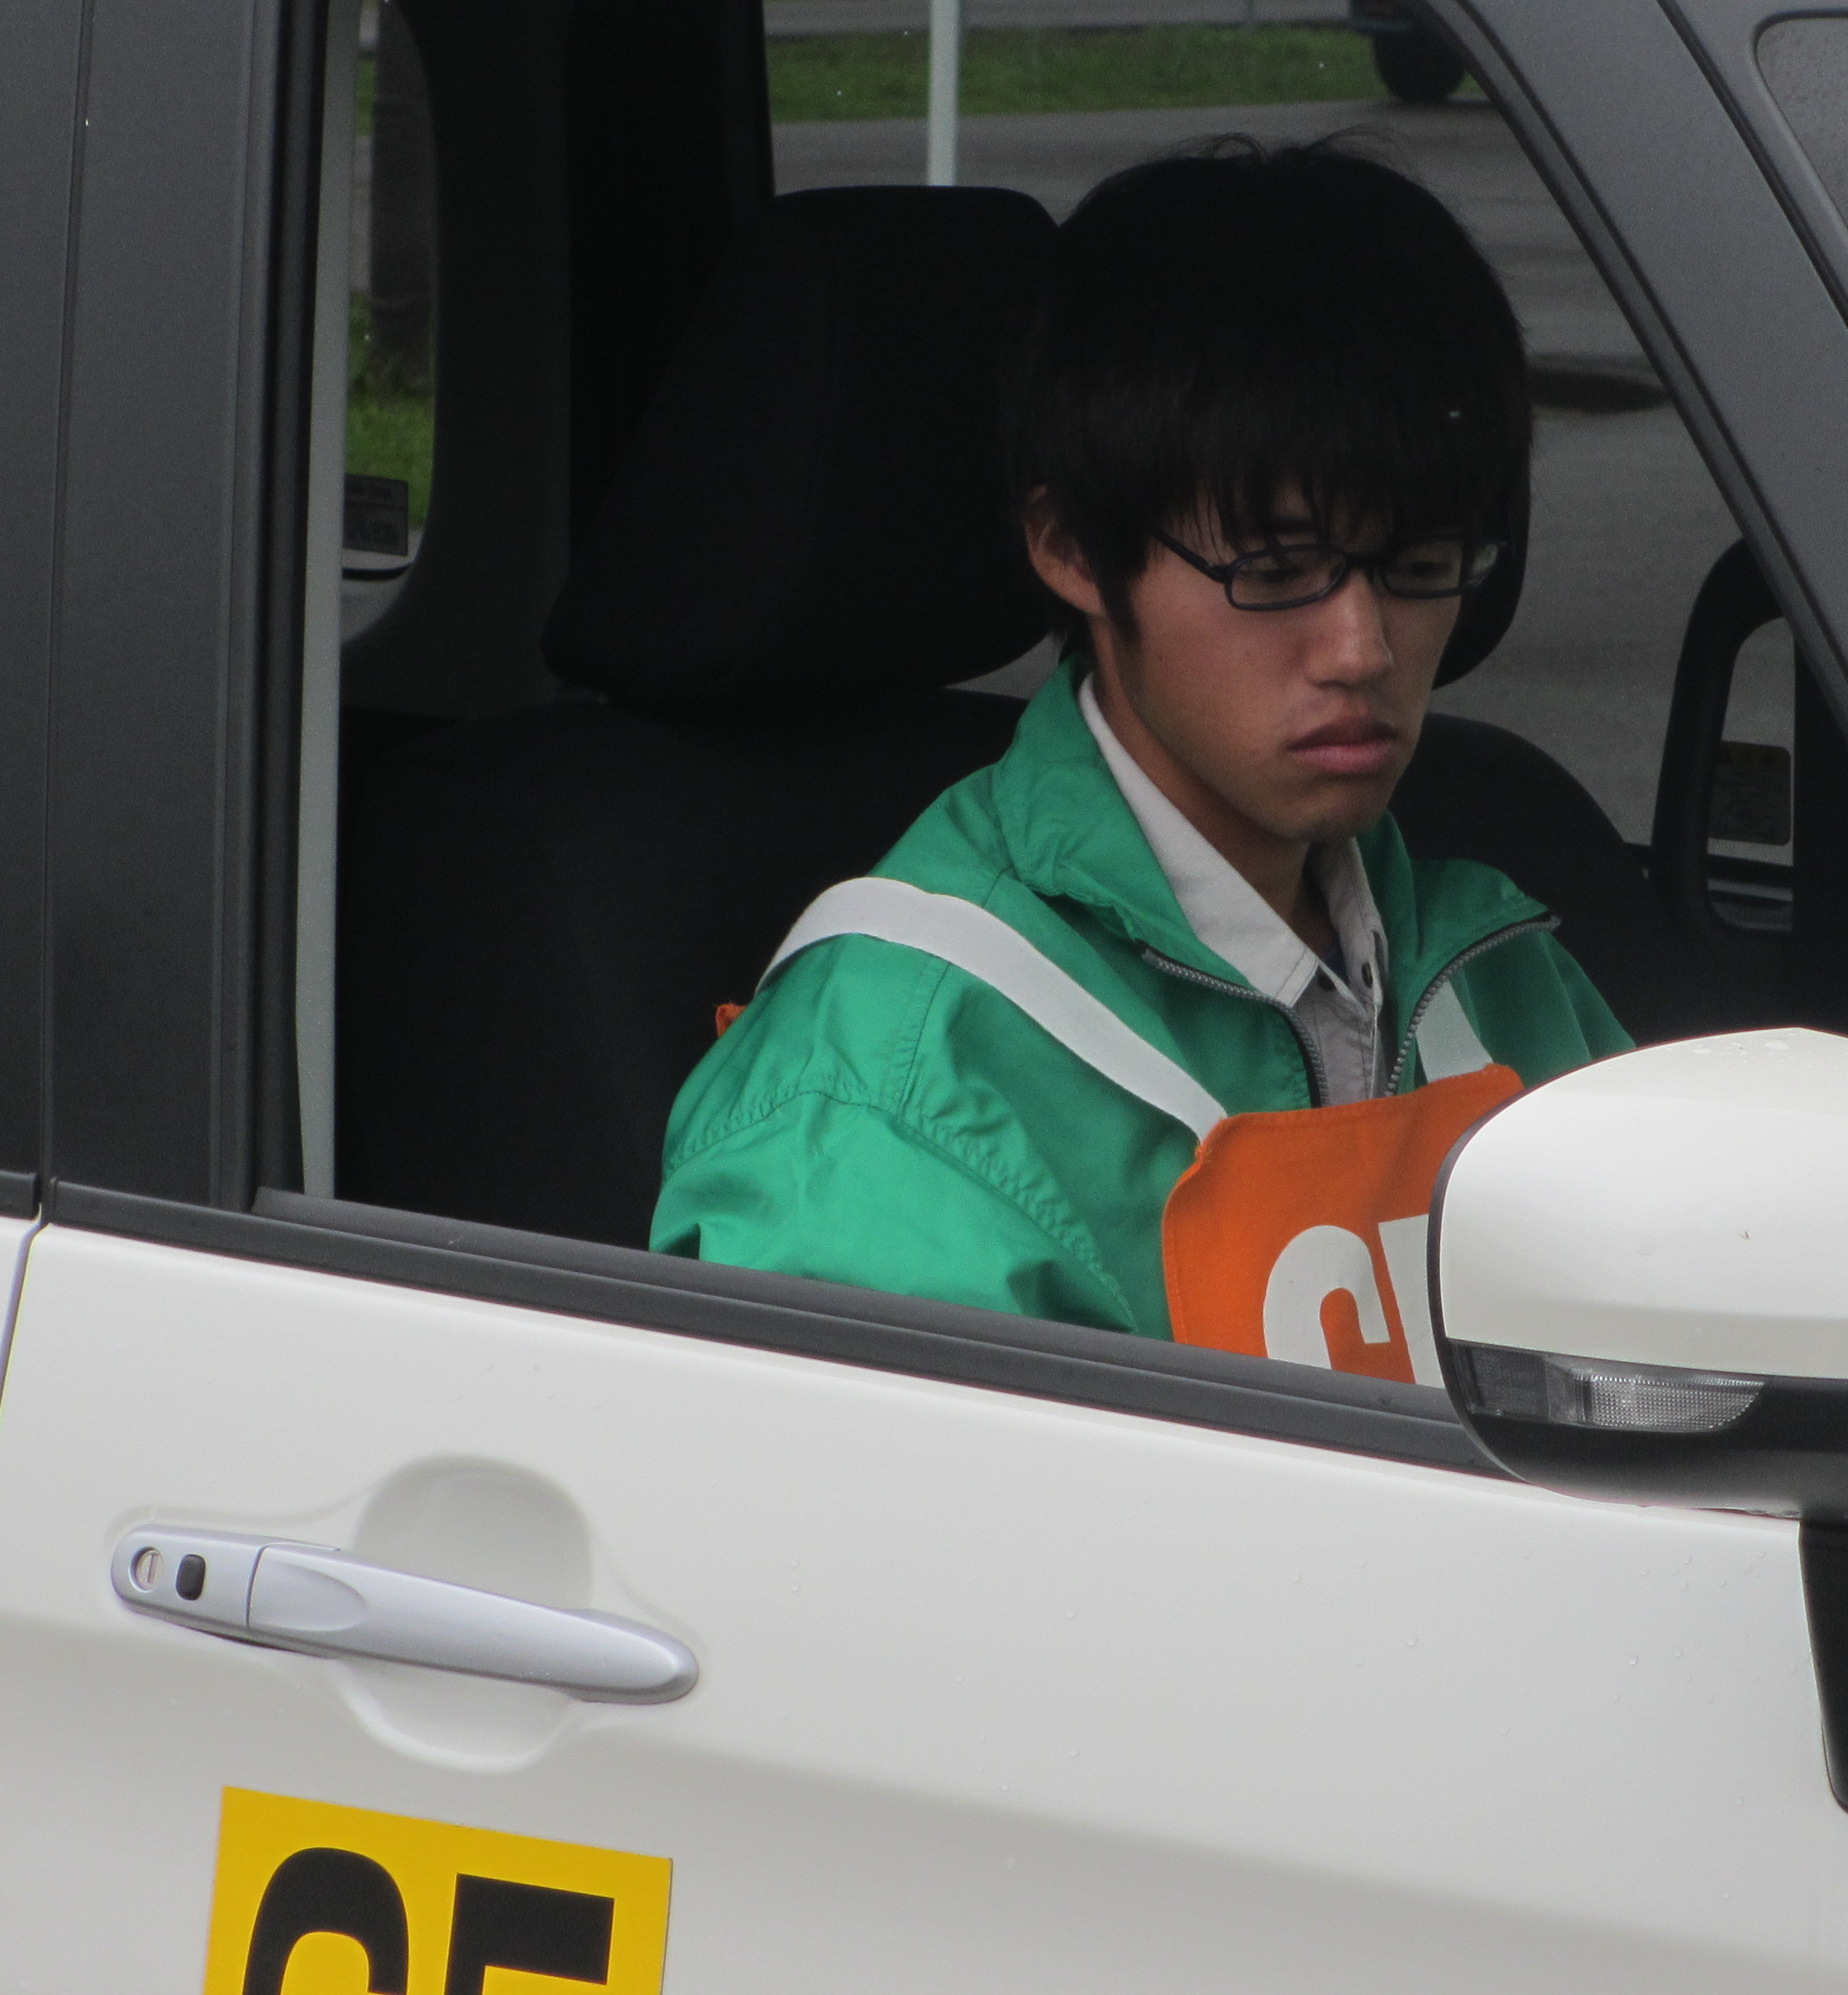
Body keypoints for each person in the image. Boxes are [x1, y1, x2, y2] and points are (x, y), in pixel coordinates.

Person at [650, 139, 1626, 1379]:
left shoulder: (1503, 972)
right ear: (1070, 550)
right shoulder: (887, 1096)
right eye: (1275, 571)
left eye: (1420, 564)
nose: (1363, 648)